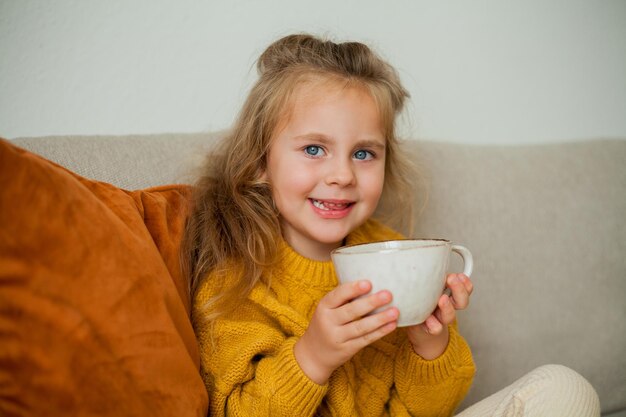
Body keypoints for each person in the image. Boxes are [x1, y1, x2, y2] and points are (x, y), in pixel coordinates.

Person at [183, 33, 601, 416]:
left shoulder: (395, 255)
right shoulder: (235, 273)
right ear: (260, 163)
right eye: (314, 148)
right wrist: (313, 356)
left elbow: (432, 409)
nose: (343, 175)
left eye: (364, 154)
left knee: (565, 388)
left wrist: (430, 344)